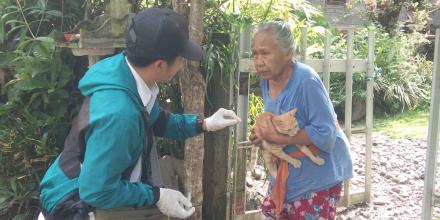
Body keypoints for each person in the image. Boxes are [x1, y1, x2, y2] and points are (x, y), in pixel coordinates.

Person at [38, 7, 241, 220]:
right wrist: (157, 196)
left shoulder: (123, 72)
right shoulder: (120, 114)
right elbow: (97, 191)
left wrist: (205, 123)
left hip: (88, 189)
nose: (183, 63)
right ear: (160, 65)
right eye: (181, 57)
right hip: (75, 207)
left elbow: (157, 120)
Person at [249, 20, 353, 220]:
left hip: (316, 178)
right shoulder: (267, 80)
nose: (258, 61)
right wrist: (263, 139)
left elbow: (326, 135)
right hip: (287, 176)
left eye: (265, 53)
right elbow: (278, 125)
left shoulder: (306, 81)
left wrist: (277, 138)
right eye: (255, 54)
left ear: (288, 53)